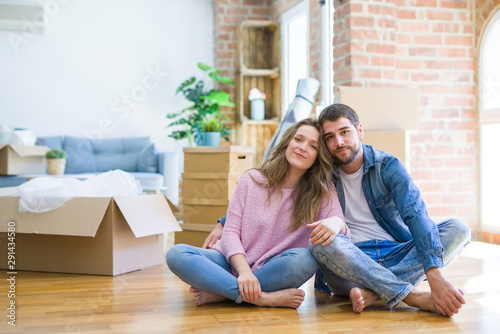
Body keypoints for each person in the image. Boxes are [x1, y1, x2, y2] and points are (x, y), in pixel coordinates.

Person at [204, 103, 471, 317]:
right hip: (346, 263)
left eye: (345, 132)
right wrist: (225, 222)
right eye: (330, 137)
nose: (339, 142)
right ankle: (410, 295)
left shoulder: (387, 167)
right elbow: (276, 196)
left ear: (360, 130)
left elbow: (417, 216)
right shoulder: (320, 173)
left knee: (458, 229)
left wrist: (434, 274)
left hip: (395, 254)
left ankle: (375, 293)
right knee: (321, 243)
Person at [167, 118, 349, 309]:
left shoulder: (322, 191)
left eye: (313, 146)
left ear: (319, 157)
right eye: (298, 139)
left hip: (273, 268)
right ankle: (262, 298)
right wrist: (244, 272)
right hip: (230, 262)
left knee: (305, 260)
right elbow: (230, 233)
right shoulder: (252, 179)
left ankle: (222, 293)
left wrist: (337, 223)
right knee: (177, 254)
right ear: (288, 142)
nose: (303, 147)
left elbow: (342, 230)